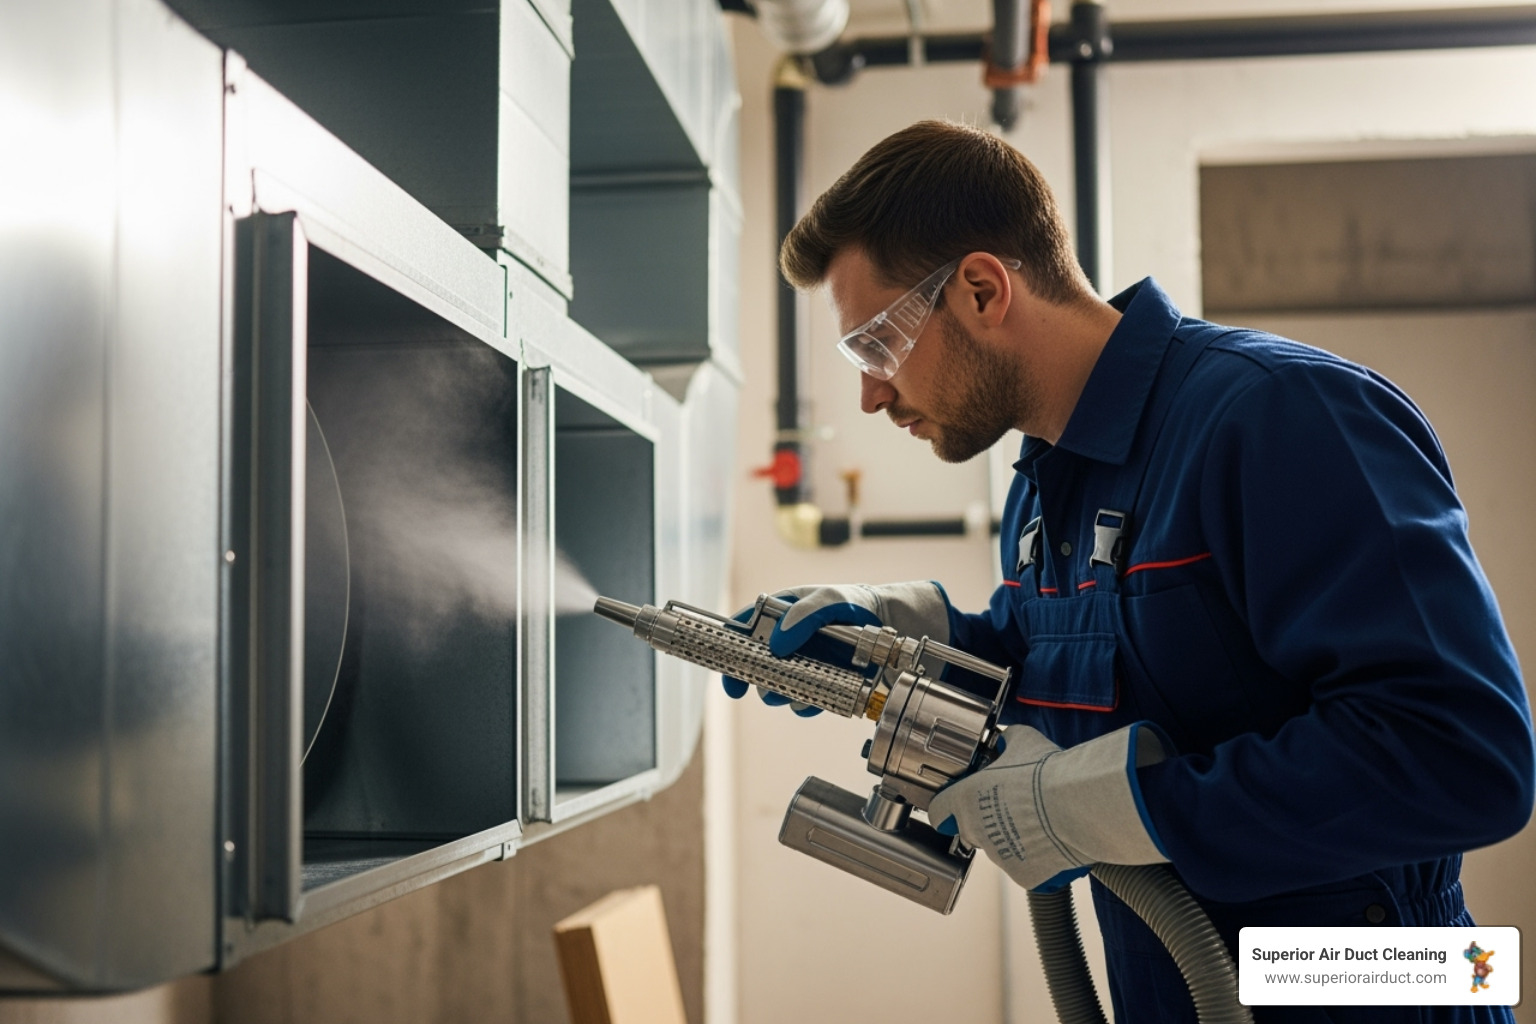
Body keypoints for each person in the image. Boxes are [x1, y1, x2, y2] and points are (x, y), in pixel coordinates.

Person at [726, 120, 1535, 1023]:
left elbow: (1467, 757)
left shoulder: (1278, 417)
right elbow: (1067, 657)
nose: (871, 392)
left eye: (875, 345)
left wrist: (1111, 808)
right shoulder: (1043, 486)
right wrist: (904, 631)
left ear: (983, 289)